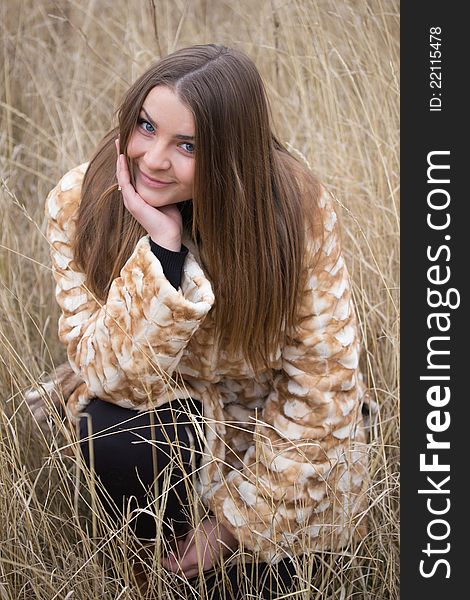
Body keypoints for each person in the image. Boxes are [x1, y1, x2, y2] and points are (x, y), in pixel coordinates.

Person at [26, 44, 370, 596]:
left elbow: (322, 385)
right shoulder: (79, 202)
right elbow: (108, 376)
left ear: (232, 156)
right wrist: (163, 255)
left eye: (187, 145)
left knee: (277, 580)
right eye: (145, 126)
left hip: (267, 433)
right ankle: (146, 565)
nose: (153, 159)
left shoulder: (293, 213)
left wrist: (234, 527)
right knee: (110, 432)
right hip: (160, 418)